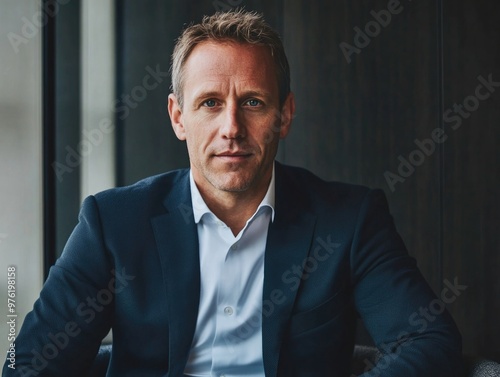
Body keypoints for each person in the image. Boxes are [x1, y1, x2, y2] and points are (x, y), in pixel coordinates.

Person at [4, 9, 462, 377]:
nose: (232, 129)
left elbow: (427, 340)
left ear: (284, 114)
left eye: (253, 103)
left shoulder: (351, 220)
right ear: (178, 117)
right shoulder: (112, 223)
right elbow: (29, 364)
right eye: (210, 103)